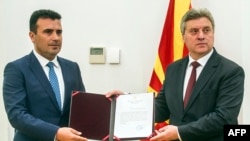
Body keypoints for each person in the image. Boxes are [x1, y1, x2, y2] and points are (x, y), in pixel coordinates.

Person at [106, 8, 245, 141]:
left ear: (213, 33)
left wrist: (179, 132)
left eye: (206, 30)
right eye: (194, 31)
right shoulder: (173, 69)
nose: (201, 36)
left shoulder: (231, 71)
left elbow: (224, 118)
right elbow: (162, 109)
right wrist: (128, 102)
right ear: (183, 36)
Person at [3, 9, 88, 141]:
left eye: (59, 32)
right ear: (32, 36)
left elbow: (82, 108)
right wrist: (56, 132)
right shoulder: (16, 69)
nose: (56, 37)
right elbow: (17, 115)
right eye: (48, 32)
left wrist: (111, 101)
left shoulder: (72, 67)